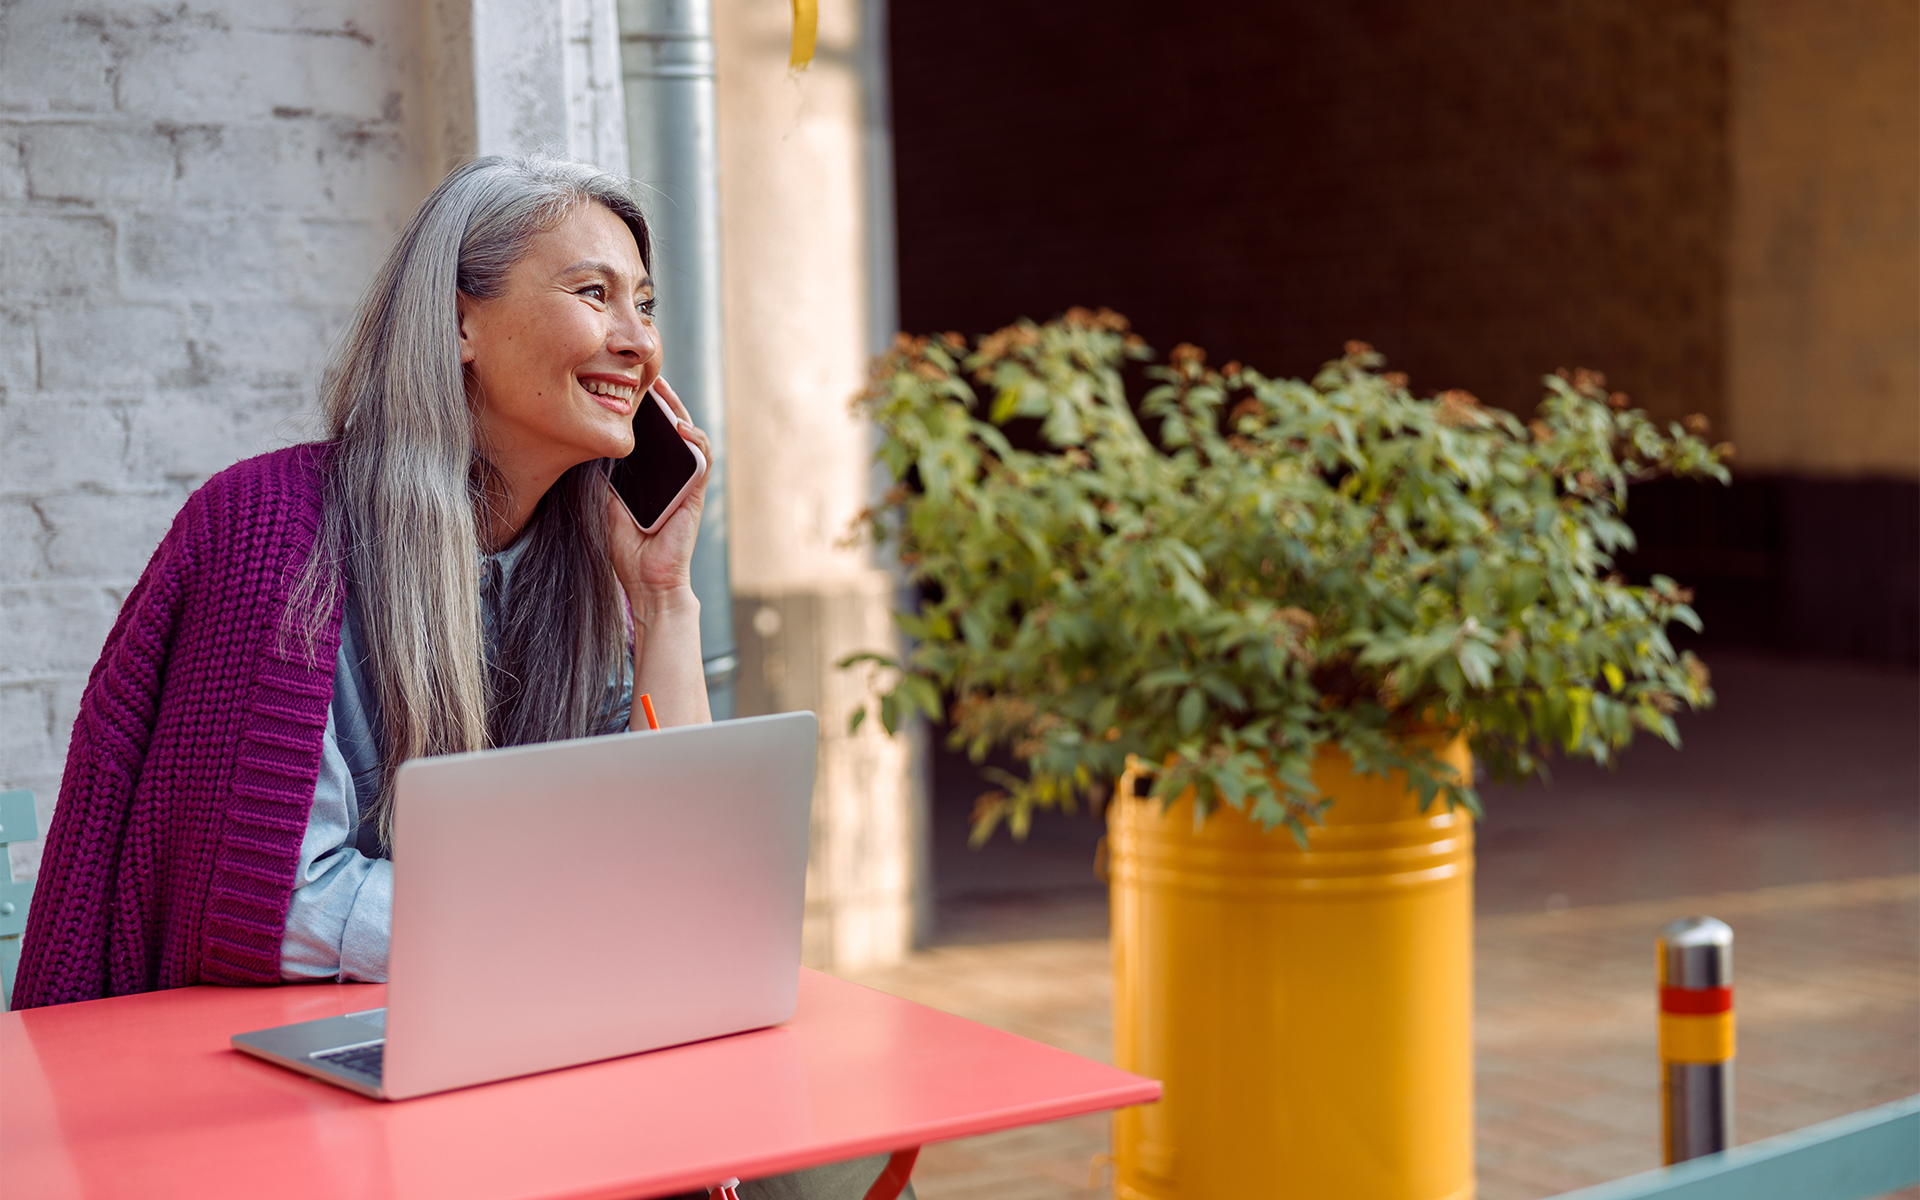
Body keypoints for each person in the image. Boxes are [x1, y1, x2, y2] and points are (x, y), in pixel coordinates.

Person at [14, 155, 904, 1200]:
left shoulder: (583, 569)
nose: (638, 339)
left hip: (501, 1049)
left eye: (646, 303)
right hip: (275, 1083)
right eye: (593, 293)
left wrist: (664, 597)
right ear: (460, 325)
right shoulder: (273, 535)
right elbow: (271, 902)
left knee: (831, 1162)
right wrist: (564, 932)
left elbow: (686, 888)